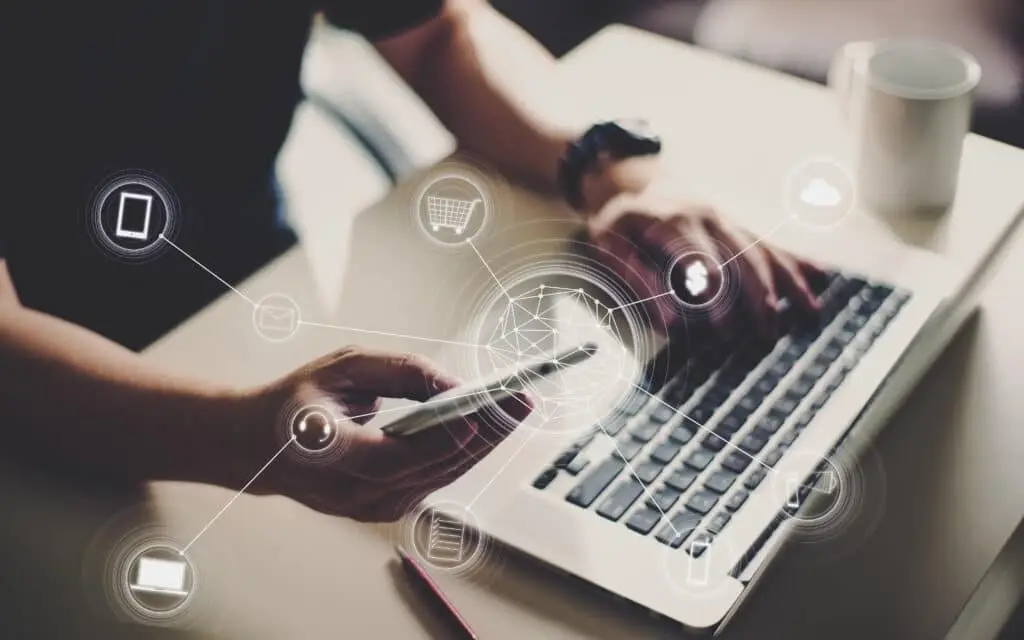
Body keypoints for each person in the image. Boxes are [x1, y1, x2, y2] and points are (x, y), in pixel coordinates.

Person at [0, 0, 821, 523]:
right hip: (60, 435)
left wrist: (612, 170)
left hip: (257, 312)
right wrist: (242, 436)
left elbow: (434, 31)